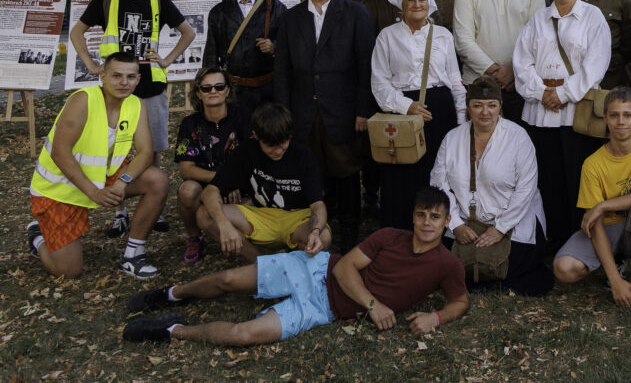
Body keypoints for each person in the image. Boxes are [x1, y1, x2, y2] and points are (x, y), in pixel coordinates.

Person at [123, 186, 469, 345]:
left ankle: (171, 330)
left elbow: (460, 301)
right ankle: (170, 294)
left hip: (322, 308)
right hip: (315, 269)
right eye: (421, 215)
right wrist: (373, 305)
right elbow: (343, 268)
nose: (427, 222)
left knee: (244, 335)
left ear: (446, 221)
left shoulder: (447, 264)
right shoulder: (390, 236)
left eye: (434, 217)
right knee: (228, 279)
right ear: (413, 216)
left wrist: (435, 318)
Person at [70, 0, 194, 237]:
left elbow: (188, 32)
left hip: (151, 87)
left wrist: (167, 60)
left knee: (152, 150)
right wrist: (90, 64)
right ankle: (119, 212)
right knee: (116, 151)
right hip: (115, 89)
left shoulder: (158, 0)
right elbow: (76, 32)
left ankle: (154, 208)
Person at [27, 52, 169, 279]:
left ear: (138, 79)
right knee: (69, 271)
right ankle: (38, 236)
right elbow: (60, 153)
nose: (124, 82)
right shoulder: (83, 100)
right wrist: (94, 192)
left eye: (131, 77)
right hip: (59, 189)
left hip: (100, 179)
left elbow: (145, 153)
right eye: (117, 76)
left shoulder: (136, 104)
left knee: (158, 180)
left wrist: (122, 183)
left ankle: (133, 255)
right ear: (102, 76)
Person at [275, 0, 374, 251]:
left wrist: (363, 110)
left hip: (344, 111)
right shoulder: (290, 19)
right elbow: (282, 71)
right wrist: (284, 116)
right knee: (314, 175)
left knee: (346, 174)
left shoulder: (355, 13)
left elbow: (366, 66)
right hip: (304, 112)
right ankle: (319, 233)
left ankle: (349, 237)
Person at [513, 0, 611, 250]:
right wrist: (541, 92)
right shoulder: (538, 20)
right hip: (540, 111)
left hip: (576, 112)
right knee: (548, 177)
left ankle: (582, 240)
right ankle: (554, 238)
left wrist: (563, 94)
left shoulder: (592, 17)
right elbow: (522, 62)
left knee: (579, 178)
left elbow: (596, 64)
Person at [553, 86, 631, 319]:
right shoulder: (593, 164)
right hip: (607, 230)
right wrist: (615, 280)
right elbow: (595, 225)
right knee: (564, 269)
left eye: (627, 115)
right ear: (605, 118)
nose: (621, 122)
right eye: (614, 115)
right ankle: (616, 265)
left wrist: (603, 205)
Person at [430, 75, 553, 295]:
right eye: (477, 105)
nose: (485, 112)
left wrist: (500, 228)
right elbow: (438, 184)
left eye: (491, 105)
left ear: (500, 107)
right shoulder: (452, 138)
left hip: (513, 222)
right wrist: (456, 224)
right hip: (466, 222)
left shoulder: (518, 137)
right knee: (445, 261)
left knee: (513, 263)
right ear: (468, 107)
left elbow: (526, 189)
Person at [371, 0, 465, 229]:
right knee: (401, 173)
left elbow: (454, 79)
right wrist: (406, 106)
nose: (417, 4)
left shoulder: (443, 35)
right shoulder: (387, 36)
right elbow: (379, 82)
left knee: (438, 172)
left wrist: (461, 118)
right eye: (410, 0)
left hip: (440, 111)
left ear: (429, 3)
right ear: (401, 5)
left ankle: (437, 232)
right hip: (401, 113)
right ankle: (399, 232)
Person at [196, 102, 330, 262]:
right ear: (256, 135)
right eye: (270, 145)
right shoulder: (247, 151)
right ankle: (262, 263)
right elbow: (210, 191)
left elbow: (317, 204)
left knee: (323, 236)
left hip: (297, 219)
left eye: (283, 143)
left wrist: (315, 231)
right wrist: (223, 224)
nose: (278, 150)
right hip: (260, 216)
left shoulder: (303, 155)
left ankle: (293, 266)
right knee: (204, 215)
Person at [453, 0, 545, 123]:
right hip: (479, 87)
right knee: (479, 142)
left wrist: (513, 70)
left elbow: (538, 38)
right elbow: (463, 41)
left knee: (521, 141)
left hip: (521, 85)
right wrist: (496, 71)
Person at [173, 66, 251, 264]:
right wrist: (223, 180)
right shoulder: (189, 123)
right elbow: (186, 169)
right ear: (198, 93)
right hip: (207, 183)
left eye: (219, 86)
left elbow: (253, 159)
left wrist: (234, 182)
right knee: (187, 191)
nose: (213, 91)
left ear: (227, 90)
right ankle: (195, 239)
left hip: (241, 185)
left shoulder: (244, 117)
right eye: (206, 88)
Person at [203, 0, 288, 112]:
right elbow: (211, 56)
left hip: (268, 94)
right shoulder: (219, 12)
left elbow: (290, 48)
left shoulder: (276, 8)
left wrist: (274, 47)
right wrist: (209, 90)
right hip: (232, 94)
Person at [337, 0, 385, 216]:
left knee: (372, 144)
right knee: (344, 143)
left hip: (377, 82)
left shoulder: (382, 0)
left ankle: (371, 195)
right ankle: (343, 198)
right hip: (344, 84)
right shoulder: (336, 1)